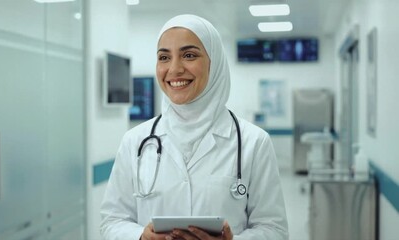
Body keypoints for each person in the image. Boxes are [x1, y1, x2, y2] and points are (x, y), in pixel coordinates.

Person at [100, 14, 288, 240]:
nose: (175, 69)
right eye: (164, 57)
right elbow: (111, 221)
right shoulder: (135, 141)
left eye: (189, 55)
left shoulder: (253, 142)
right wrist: (140, 236)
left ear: (214, 62)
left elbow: (274, 229)